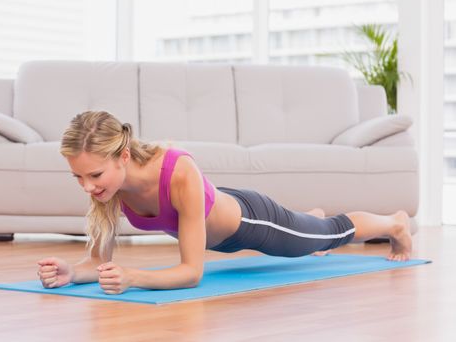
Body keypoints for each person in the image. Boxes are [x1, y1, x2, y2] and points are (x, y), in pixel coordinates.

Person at [37, 111, 412, 295]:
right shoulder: (109, 189)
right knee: (305, 227)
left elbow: (191, 273)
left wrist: (133, 278)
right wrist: (73, 272)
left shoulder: (177, 170)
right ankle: (304, 219)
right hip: (222, 214)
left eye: (94, 175)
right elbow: (98, 262)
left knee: (329, 235)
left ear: (121, 156)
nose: (87, 186)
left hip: (254, 223)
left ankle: (393, 223)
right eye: (78, 177)